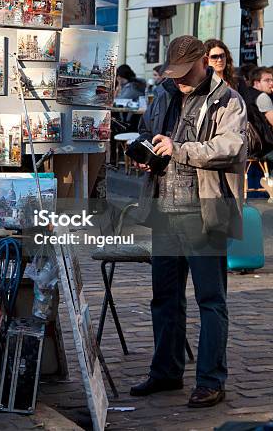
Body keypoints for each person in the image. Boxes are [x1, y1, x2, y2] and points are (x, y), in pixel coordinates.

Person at [130, 35, 247, 408]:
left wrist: (180, 150)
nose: (179, 79)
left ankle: (211, 380)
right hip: (164, 209)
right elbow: (150, 131)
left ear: (203, 62)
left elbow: (232, 148)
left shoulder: (228, 99)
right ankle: (166, 372)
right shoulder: (164, 92)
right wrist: (147, 150)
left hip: (203, 209)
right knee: (164, 297)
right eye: (174, 72)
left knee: (210, 299)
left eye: (185, 72)